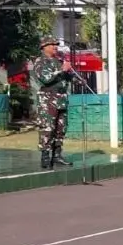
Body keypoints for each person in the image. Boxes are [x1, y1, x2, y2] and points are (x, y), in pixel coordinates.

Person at [32, 37, 73, 169]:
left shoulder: (58, 61)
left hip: (61, 98)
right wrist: (62, 70)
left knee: (61, 128)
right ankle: (45, 157)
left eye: (56, 45)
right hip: (48, 98)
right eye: (52, 45)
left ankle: (57, 155)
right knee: (47, 128)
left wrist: (69, 73)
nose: (55, 47)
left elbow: (65, 78)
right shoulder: (40, 61)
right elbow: (46, 78)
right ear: (44, 47)